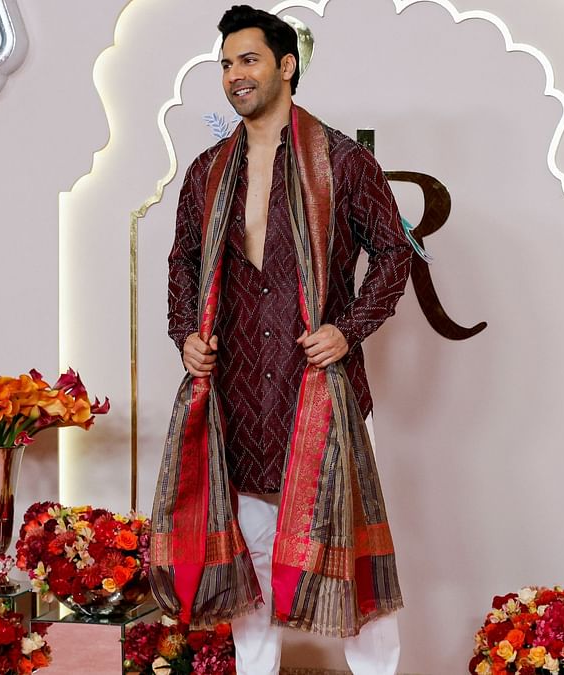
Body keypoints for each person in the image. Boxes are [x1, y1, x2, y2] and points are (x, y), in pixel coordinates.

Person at [151, 5, 413, 674]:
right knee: (254, 563)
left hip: (320, 396)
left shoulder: (345, 162)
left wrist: (347, 331)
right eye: (226, 64)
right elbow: (183, 259)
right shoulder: (209, 171)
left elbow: (393, 254)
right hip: (237, 400)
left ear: (286, 66)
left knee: (353, 564)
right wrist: (186, 333)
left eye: (249, 60)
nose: (235, 76)